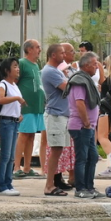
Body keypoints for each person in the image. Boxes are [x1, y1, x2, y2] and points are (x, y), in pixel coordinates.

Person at [68, 52, 102, 198]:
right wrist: (87, 122)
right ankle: (80, 188)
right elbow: (79, 103)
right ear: (86, 65)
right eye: (94, 64)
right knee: (82, 157)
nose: (97, 67)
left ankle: (89, 187)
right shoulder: (79, 81)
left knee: (92, 156)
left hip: (89, 127)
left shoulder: (86, 80)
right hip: (81, 126)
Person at [41, 43, 73, 196]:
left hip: (62, 115)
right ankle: (49, 185)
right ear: (53, 55)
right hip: (55, 115)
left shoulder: (57, 71)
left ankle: (52, 183)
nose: (64, 56)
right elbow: (68, 87)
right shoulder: (50, 71)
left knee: (59, 149)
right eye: (61, 53)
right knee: (55, 150)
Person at [15, 40, 46, 179]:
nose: (40, 49)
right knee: (23, 135)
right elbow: (14, 82)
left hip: (37, 106)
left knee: (32, 135)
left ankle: (27, 167)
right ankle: (17, 166)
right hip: (26, 106)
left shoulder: (36, 65)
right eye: (37, 47)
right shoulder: (22, 63)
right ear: (29, 49)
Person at [0, 58, 24, 196]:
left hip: (14, 121)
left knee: (11, 156)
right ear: (7, 70)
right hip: (6, 122)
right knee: (5, 155)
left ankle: (8, 182)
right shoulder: (3, 84)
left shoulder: (15, 85)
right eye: (15, 66)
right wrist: (16, 99)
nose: (18, 69)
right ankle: (0, 185)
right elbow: (0, 99)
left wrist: (19, 114)